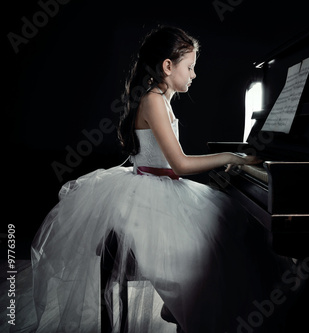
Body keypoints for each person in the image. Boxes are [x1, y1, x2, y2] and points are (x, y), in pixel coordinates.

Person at [14, 25, 292, 333]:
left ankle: (201, 310)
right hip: (148, 192)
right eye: (190, 67)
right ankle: (193, 309)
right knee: (208, 248)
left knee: (233, 231)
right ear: (167, 66)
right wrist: (232, 158)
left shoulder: (163, 100)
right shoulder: (152, 101)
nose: (194, 74)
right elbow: (180, 164)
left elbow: (174, 167)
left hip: (165, 185)